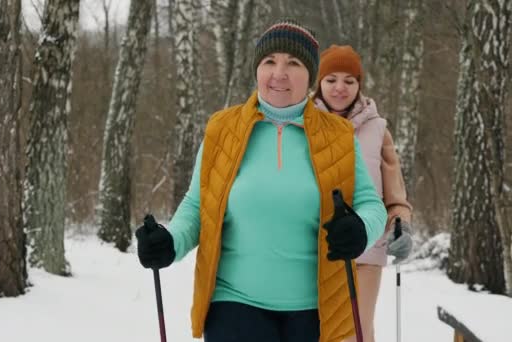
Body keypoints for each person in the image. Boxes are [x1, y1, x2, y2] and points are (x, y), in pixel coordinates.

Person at [135, 19, 387, 342]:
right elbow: (198, 205)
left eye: (293, 63)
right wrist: (171, 242)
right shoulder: (222, 129)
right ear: (257, 70)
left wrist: (360, 229)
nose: (279, 73)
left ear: (311, 76)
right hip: (235, 303)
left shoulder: (337, 136)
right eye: (269, 61)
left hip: (317, 310)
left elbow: (371, 205)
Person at [312, 45, 414, 342]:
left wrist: (400, 225)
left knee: (356, 332)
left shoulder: (378, 129)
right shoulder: (303, 124)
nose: (340, 88)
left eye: (349, 80)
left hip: (367, 251)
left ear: (359, 85)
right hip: (316, 250)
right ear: (319, 83)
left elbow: (396, 197)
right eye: (331, 80)